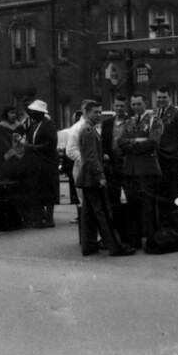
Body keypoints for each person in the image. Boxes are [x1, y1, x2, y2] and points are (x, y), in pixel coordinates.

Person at [75, 100, 135, 257]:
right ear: (86, 113)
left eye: (100, 112)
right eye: (95, 112)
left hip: (87, 178)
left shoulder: (90, 129)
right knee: (103, 213)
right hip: (93, 178)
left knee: (88, 215)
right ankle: (115, 247)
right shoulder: (88, 130)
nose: (99, 115)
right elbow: (91, 157)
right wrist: (100, 175)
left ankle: (88, 247)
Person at [119, 94, 163, 252]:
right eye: (133, 104)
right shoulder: (129, 122)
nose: (136, 107)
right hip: (130, 170)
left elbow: (152, 142)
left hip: (146, 170)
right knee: (132, 207)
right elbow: (121, 141)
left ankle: (151, 241)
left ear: (145, 103)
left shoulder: (154, 121)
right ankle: (135, 240)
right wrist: (137, 142)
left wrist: (132, 144)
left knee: (148, 208)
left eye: (139, 103)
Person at [21, 100, 60, 228]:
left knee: (48, 190)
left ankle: (49, 219)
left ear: (40, 113)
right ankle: (39, 219)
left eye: (33, 111)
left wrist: (33, 147)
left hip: (47, 162)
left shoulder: (48, 125)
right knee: (37, 190)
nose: (30, 113)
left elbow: (51, 144)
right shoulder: (34, 125)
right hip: (36, 163)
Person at [154, 86, 178, 221]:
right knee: (161, 197)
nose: (161, 100)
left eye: (164, 97)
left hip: (171, 161)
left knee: (174, 197)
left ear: (169, 97)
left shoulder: (177, 114)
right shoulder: (156, 113)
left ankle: (175, 230)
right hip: (159, 161)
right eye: (159, 97)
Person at [58, 110, 84, 221]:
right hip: (72, 164)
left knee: (79, 191)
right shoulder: (71, 131)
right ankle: (79, 214)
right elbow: (67, 151)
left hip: (77, 163)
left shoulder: (78, 130)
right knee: (75, 191)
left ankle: (81, 214)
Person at [0, 106, 26, 182]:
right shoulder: (1, 127)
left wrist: (20, 153)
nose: (14, 115)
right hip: (6, 156)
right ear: (6, 114)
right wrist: (13, 154)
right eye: (11, 113)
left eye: (15, 113)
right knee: (7, 178)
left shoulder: (20, 127)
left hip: (19, 155)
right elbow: (3, 142)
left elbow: (23, 139)